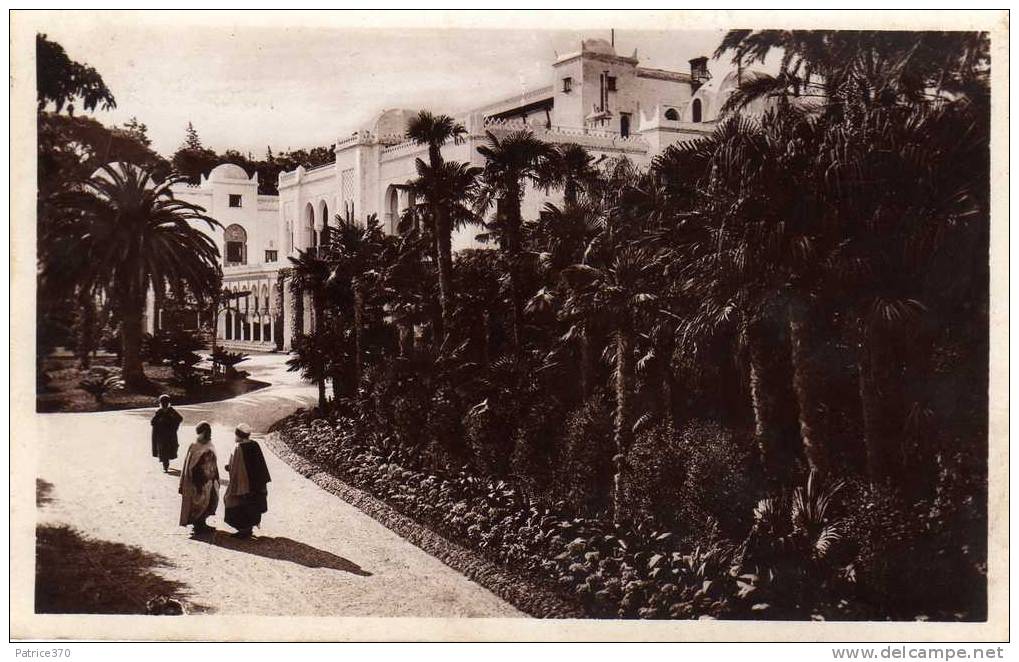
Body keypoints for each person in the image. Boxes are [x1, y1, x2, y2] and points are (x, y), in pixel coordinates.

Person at [223, 423, 271, 539]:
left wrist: (228, 467)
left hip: (243, 484)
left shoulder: (239, 447)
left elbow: (235, 468)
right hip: (256, 484)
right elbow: (260, 465)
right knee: (252, 505)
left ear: (239, 435)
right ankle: (248, 528)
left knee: (235, 502)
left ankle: (244, 530)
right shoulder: (255, 444)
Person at [179, 421, 220, 535]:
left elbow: (214, 462)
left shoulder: (210, 445)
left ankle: (202, 522)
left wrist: (215, 477)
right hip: (197, 480)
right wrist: (198, 480)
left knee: (209, 501)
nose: (202, 435)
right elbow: (190, 465)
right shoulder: (194, 446)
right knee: (198, 503)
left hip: (209, 480)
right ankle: (198, 525)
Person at [150, 394, 183, 472]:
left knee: (169, 449)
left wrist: (174, 426)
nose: (164, 404)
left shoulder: (170, 411)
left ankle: (166, 465)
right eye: (163, 403)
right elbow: (153, 422)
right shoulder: (160, 412)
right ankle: (165, 466)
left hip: (168, 434)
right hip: (163, 435)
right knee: (164, 450)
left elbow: (179, 419)